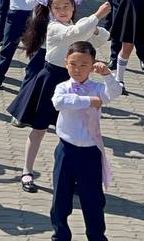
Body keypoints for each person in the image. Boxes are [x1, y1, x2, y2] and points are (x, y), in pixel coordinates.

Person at [10, 0, 111, 193]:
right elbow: (74, 34)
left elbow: (102, 37)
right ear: (50, 10)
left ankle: (73, 178)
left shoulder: (79, 26)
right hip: (50, 80)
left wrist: (93, 27)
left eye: (66, 6)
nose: (62, 10)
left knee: (72, 133)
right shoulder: (54, 27)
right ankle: (27, 171)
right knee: (39, 129)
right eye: (57, 7)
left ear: (73, 7)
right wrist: (96, 16)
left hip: (73, 84)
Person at [49, 40, 119, 241]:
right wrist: (88, 101)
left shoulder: (97, 87)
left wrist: (108, 75)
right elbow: (59, 102)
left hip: (90, 152)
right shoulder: (63, 87)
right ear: (66, 63)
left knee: (93, 200)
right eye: (73, 64)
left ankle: (96, 236)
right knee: (61, 197)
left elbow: (114, 93)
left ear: (92, 66)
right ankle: (60, 235)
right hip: (66, 150)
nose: (77, 69)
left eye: (83, 65)